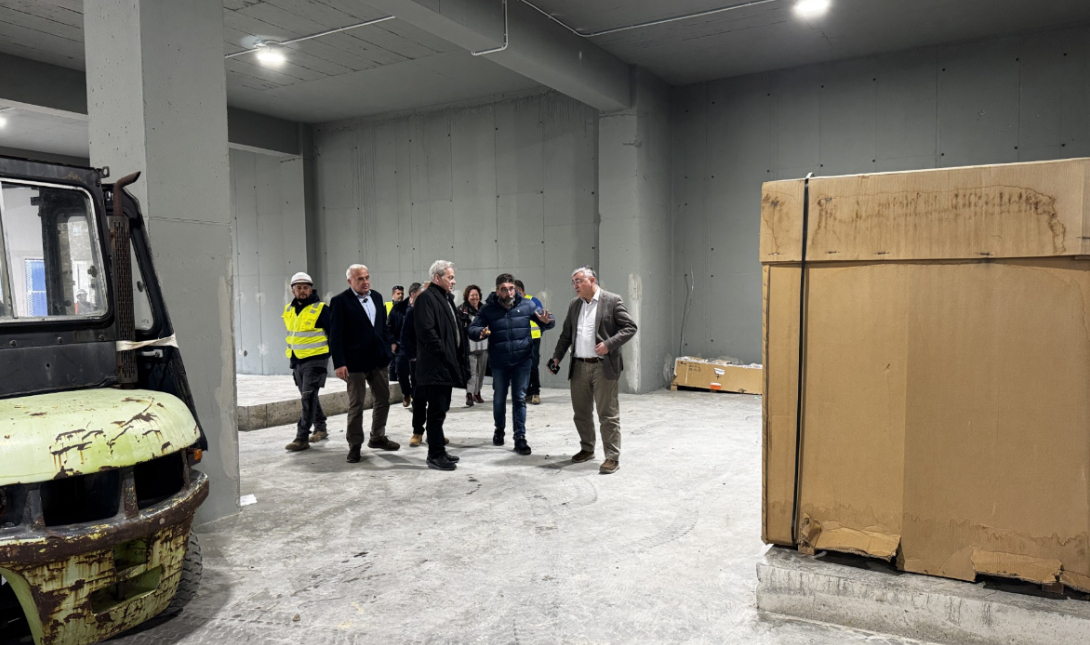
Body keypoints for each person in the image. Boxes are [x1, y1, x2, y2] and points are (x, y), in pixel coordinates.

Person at [548, 267, 637, 474]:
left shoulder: (612, 301)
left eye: (579, 281)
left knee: (607, 414)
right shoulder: (575, 304)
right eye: (573, 282)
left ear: (592, 280)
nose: (575, 285)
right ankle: (587, 449)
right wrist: (557, 357)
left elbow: (630, 327)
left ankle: (612, 457)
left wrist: (608, 344)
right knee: (581, 412)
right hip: (579, 366)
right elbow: (566, 335)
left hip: (603, 366)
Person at [469, 274, 555, 456]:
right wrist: (480, 332)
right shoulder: (488, 309)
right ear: (497, 290)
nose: (508, 292)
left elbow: (546, 320)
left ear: (515, 289)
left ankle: (520, 438)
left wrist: (548, 321)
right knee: (499, 398)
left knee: (519, 398)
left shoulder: (527, 305)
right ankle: (499, 430)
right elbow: (472, 329)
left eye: (511, 289)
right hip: (499, 361)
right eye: (504, 289)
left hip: (522, 360)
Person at [330, 264, 400, 463]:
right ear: (350, 281)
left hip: (378, 360)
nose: (365, 282)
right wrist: (339, 363)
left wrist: (389, 346)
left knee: (383, 399)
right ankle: (354, 445)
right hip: (354, 364)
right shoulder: (340, 301)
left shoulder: (376, 297)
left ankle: (377, 437)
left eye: (367, 277)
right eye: (360, 279)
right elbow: (335, 335)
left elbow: (382, 326)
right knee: (357, 405)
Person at [414, 260, 468, 471]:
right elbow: (427, 332)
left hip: (445, 364)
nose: (454, 281)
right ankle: (434, 455)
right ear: (437, 278)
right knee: (436, 412)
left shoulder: (445, 298)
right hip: (435, 365)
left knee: (441, 409)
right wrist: (445, 354)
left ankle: (439, 450)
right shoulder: (426, 298)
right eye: (450, 277)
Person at [282, 272, 331, 452]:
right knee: (309, 396)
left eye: (305, 287)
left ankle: (301, 437)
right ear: (293, 290)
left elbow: (334, 333)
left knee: (308, 396)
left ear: (311, 289)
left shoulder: (321, 308)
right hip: (297, 359)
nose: (302, 291)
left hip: (316, 359)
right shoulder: (288, 309)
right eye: (299, 288)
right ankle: (320, 427)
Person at [388, 283, 420, 407]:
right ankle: (406, 393)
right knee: (401, 372)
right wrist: (392, 342)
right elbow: (388, 327)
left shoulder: (422, 308)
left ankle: (416, 397)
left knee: (416, 374)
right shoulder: (399, 308)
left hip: (416, 347)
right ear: (413, 294)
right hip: (401, 346)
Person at [515, 279, 545, 405]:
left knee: (533, 365)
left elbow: (543, 319)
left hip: (533, 338)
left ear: (520, 290)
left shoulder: (533, 301)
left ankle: (535, 392)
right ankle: (526, 392)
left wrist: (539, 333)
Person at [459, 285, 488, 407]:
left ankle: (477, 392)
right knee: (471, 372)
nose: (474, 297)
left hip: (483, 345)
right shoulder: (462, 310)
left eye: (476, 295)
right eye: (472, 295)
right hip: (470, 346)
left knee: (481, 372)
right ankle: (469, 394)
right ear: (467, 297)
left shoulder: (485, 309)